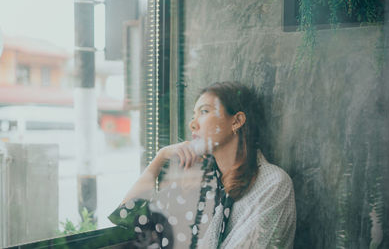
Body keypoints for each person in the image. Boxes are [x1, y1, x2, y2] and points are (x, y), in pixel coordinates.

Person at [111, 81, 296, 248]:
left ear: (237, 121)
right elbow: (129, 216)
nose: (193, 124)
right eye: (194, 115)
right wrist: (160, 157)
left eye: (204, 111)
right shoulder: (201, 181)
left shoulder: (273, 184)